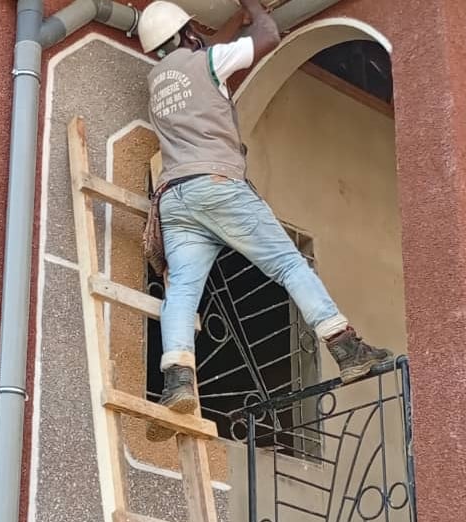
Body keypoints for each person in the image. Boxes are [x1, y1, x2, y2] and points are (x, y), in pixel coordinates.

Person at [137, 0, 393, 441]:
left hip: (175, 200)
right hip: (217, 185)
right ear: (186, 34)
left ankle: (177, 380)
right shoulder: (209, 62)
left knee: (181, 291)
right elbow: (269, 36)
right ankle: (346, 348)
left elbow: (205, 51)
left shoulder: (158, 81)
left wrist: (232, 21)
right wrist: (253, 8)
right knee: (290, 265)